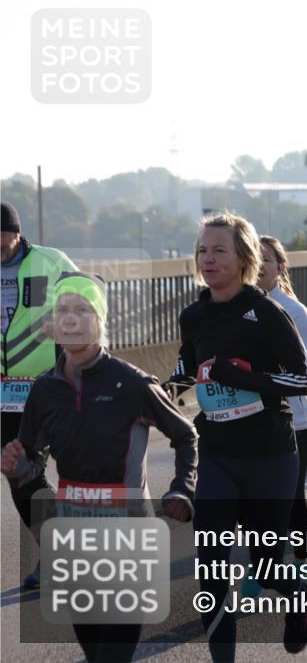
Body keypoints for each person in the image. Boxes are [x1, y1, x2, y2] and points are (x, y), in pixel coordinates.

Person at [2, 271, 196, 662]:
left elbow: (186, 434)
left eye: (83, 309)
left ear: (102, 320)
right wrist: (16, 465)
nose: (71, 319)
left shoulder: (132, 383)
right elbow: (31, 460)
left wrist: (182, 488)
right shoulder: (44, 390)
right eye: (63, 310)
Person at [167, 212, 307, 660]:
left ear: (244, 257)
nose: (207, 260)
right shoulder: (193, 315)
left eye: (218, 251)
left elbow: (304, 379)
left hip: (270, 455)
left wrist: (247, 379)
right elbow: (187, 368)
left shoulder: (267, 312)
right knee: (211, 568)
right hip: (216, 453)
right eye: (201, 251)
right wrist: (154, 394)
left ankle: (296, 598)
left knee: (268, 568)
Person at [0, 200, 77, 589]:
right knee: (16, 473)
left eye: (1, 242)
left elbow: (89, 297)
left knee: (29, 469)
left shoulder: (50, 261)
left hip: (45, 387)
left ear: (16, 233)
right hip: (2, 394)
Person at [258, 235, 307, 566]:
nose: (258, 265)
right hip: (255, 422)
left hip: (294, 422)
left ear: (280, 268)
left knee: (292, 497)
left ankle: (301, 562)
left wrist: (268, 377)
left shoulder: (294, 311)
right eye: (252, 257)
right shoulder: (241, 310)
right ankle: (264, 567)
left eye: (265, 259)